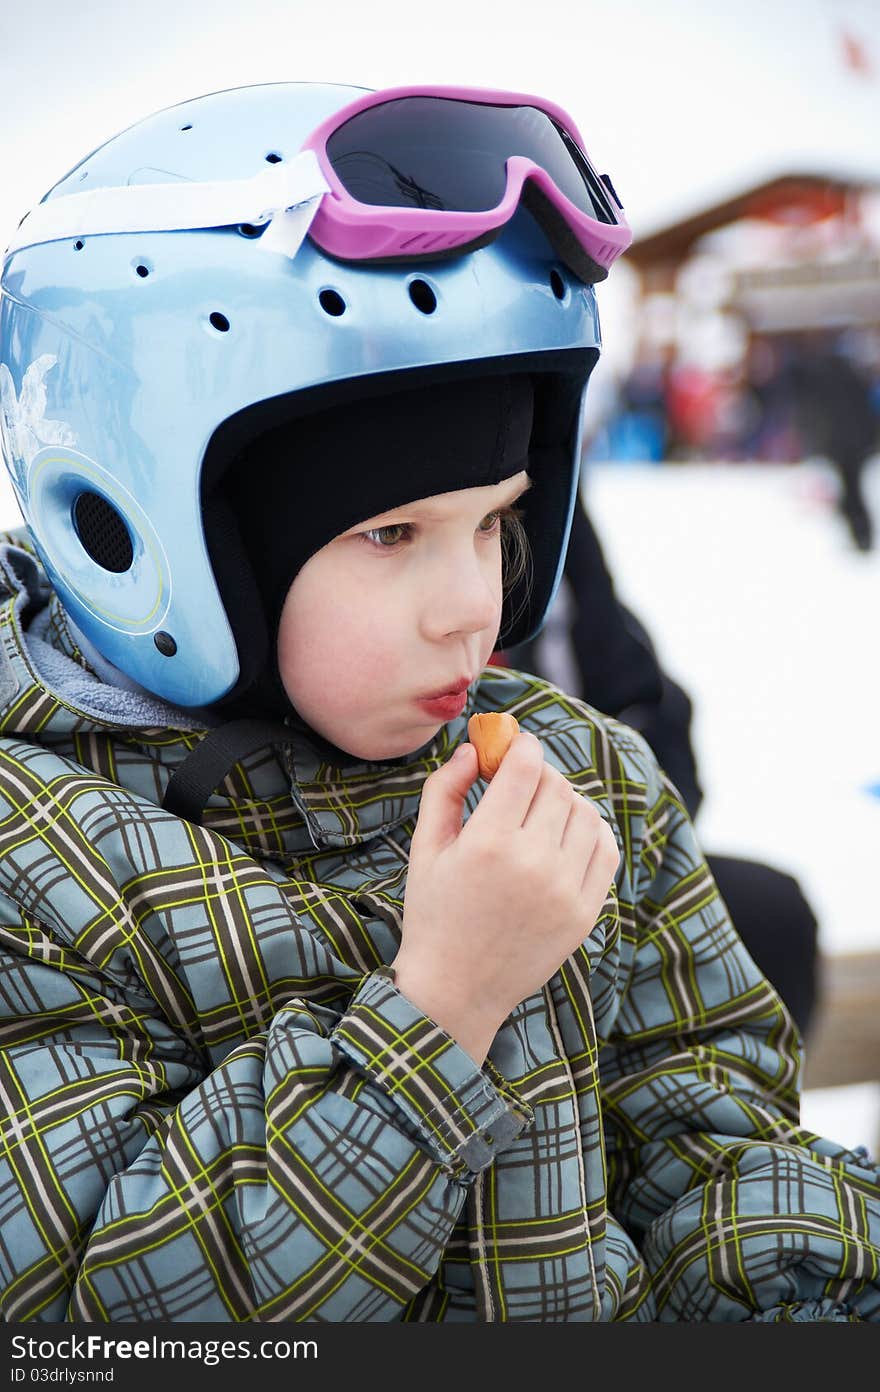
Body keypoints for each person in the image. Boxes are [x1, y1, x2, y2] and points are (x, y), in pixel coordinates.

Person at [0, 80, 878, 1327]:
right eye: (392, 532)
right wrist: (443, 1004)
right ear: (142, 529)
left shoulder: (582, 770)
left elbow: (711, 1141)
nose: (471, 604)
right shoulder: (38, 865)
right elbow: (106, 1306)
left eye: (496, 523)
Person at [502, 499, 820, 1038]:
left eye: (490, 525)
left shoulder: (554, 523)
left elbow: (656, 716)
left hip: (609, 867)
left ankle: (733, 1114)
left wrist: (622, 837)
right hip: (456, 897)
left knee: (772, 916)